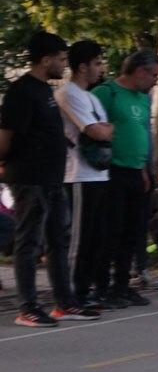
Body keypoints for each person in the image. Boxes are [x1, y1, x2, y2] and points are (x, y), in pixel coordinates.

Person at [1, 31, 96, 326]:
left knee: (58, 240)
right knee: (29, 242)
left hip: (52, 178)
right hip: (30, 179)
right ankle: (27, 307)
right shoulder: (22, 92)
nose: (65, 65)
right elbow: (5, 138)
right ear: (45, 60)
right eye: (61, 59)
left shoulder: (45, 90)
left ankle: (64, 302)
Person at [92, 51, 158, 307]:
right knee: (111, 231)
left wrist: (144, 169)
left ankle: (122, 285)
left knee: (133, 231)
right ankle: (101, 286)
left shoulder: (143, 98)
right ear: (140, 71)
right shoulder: (106, 93)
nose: (155, 81)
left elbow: (141, 132)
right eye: (153, 75)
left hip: (136, 171)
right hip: (112, 172)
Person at [57, 39, 114, 308]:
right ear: (82, 67)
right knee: (79, 239)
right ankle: (71, 294)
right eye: (97, 63)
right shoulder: (68, 93)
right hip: (78, 174)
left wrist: (106, 129)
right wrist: (105, 129)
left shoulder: (91, 97)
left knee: (95, 237)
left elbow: (107, 129)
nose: (101, 69)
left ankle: (86, 288)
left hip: (99, 175)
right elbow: (96, 131)